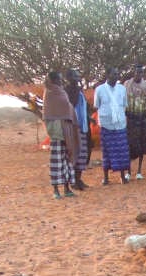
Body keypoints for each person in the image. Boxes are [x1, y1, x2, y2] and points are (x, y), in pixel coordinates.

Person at [42, 71, 79, 199]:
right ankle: (56, 190)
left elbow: (68, 107)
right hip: (57, 131)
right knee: (56, 161)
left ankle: (67, 188)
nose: (61, 81)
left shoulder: (61, 91)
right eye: (58, 79)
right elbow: (49, 113)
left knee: (67, 160)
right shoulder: (50, 92)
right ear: (53, 80)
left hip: (66, 129)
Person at [94, 67, 130, 185]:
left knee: (122, 152)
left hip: (120, 124)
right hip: (106, 125)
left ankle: (122, 177)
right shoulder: (99, 90)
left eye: (118, 74)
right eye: (114, 74)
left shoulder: (122, 89)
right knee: (107, 152)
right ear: (108, 75)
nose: (117, 76)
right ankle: (105, 178)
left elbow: (124, 105)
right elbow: (97, 106)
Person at [124, 64, 146, 180]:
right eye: (137, 72)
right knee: (129, 145)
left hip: (141, 118)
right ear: (134, 72)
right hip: (129, 118)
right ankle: (128, 172)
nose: (138, 74)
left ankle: (139, 171)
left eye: (141, 72)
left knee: (141, 144)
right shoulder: (127, 84)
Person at [64, 68, 90, 190]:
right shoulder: (68, 91)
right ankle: (73, 181)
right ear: (69, 78)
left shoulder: (79, 91)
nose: (78, 78)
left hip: (82, 125)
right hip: (74, 126)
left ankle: (79, 179)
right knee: (75, 154)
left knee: (82, 155)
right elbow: (71, 106)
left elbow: (83, 108)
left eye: (79, 76)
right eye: (76, 76)